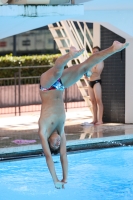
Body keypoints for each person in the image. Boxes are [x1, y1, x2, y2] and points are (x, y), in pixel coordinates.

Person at [38, 41, 129, 189]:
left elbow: (49, 157)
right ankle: (114, 48)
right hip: (60, 86)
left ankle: (70, 54)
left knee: (57, 71)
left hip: (46, 86)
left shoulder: (43, 129)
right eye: (58, 145)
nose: (58, 143)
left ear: (49, 141)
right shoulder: (60, 130)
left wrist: (55, 179)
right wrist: (65, 178)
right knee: (85, 66)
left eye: (55, 144)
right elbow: (64, 156)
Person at [84, 46, 104, 125]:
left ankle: (100, 120)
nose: (95, 53)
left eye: (96, 51)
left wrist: (90, 73)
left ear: (99, 52)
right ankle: (95, 119)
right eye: (93, 51)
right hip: (90, 82)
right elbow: (87, 72)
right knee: (93, 101)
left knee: (99, 100)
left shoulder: (100, 61)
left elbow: (97, 72)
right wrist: (86, 75)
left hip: (96, 82)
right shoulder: (91, 62)